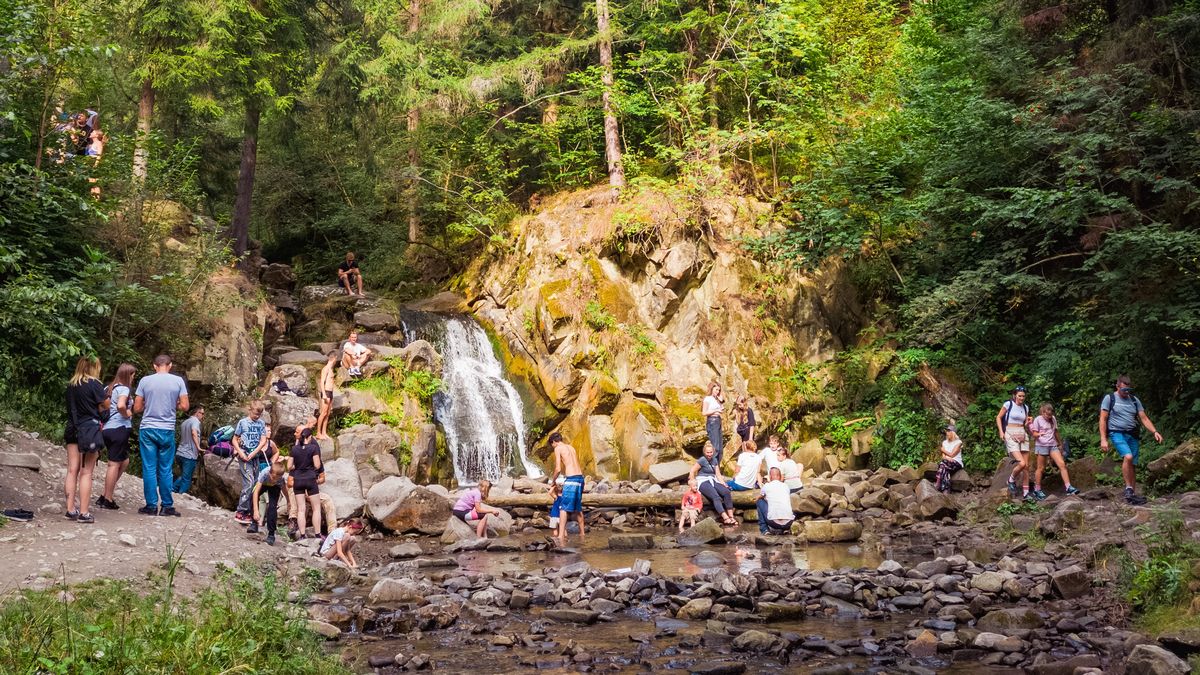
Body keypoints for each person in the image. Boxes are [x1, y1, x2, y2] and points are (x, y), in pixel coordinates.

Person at [133, 354, 189, 517]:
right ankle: (167, 506)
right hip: (167, 429)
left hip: (148, 428)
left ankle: (151, 506)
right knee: (165, 469)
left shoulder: (145, 381)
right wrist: (174, 404)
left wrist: (148, 403)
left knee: (149, 468)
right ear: (169, 365)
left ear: (154, 366)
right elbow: (185, 406)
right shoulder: (178, 381)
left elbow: (137, 408)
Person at [1100, 375, 1163, 505]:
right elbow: (1103, 419)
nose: (1126, 392)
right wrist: (1103, 439)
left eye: (1128, 390)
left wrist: (1154, 431)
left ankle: (1132, 496)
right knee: (1127, 457)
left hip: (1132, 434)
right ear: (1117, 386)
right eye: (1124, 390)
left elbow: (1144, 418)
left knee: (1132, 465)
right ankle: (1128, 488)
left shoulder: (1134, 400)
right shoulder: (1109, 398)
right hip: (1116, 433)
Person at [65, 357, 107, 524]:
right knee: (86, 472)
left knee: (71, 470)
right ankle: (84, 512)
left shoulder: (71, 385)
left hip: (72, 429)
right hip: (89, 429)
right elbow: (107, 404)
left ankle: (70, 509)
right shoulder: (95, 384)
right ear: (94, 367)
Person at [98, 363, 135, 510]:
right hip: (119, 428)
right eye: (132, 375)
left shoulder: (108, 388)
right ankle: (107, 498)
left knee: (124, 461)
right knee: (114, 464)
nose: (133, 378)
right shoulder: (124, 389)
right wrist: (127, 413)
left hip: (107, 429)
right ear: (128, 375)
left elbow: (100, 406)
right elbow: (121, 406)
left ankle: (105, 494)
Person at [1027, 403, 1079, 500]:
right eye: (1047, 415)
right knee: (1041, 468)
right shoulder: (1038, 419)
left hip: (1052, 445)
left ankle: (1068, 487)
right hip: (1042, 445)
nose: (1049, 416)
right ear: (1043, 412)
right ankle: (1037, 489)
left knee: (1062, 464)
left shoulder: (1053, 419)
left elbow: (1055, 431)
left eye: (1050, 414)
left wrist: (1060, 444)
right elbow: (1034, 433)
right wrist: (1038, 434)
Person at [232, 402, 268, 524]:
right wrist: (240, 452)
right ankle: (241, 511)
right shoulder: (243, 422)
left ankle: (250, 511)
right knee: (249, 482)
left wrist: (255, 452)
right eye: (255, 414)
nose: (257, 416)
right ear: (250, 410)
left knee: (256, 484)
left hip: (255, 457)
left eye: (259, 414)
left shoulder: (261, 423)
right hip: (244, 457)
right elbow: (234, 439)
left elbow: (263, 440)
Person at [547, 432, 585, 543]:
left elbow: (558, 469)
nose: (553, 447)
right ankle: (582, 535)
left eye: (552, 445)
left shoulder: (558, 448)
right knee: (578, 508)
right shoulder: (571, 448)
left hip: (572, 479)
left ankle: (560, 536)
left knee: (563, 508)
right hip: (580, 479)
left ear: (554, 441)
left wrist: (553, 481)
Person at [688, 441, 738, 526]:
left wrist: (723, 484)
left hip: (712, 479)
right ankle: (725, 517)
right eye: (707, 452)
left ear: (713, 452)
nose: (709, 454)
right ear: (704, 452)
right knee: (716, 496)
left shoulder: (714, 460)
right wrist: (692, 484)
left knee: (726, 492)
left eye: (711, 452)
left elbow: (717, 474)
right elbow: (692, 471)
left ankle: (731, 516)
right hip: (703, 481)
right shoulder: (702, 460)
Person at [996, 385, 1033, 500]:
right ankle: (1010, 480)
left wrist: (1029, 422)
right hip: (1010, 432)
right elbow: (998, 417)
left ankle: (1026, 493)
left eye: (1023, 396)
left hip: (1022, 433)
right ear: (1015, 395)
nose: (1021, 398)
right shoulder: (1008, 405)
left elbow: (1024, 424)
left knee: (1026, 466)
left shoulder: (1026, 407)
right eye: (1019, 396)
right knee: (1021, 463)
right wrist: (1001, 432)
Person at [289, 426, 324, 539]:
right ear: (309, 437)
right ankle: (318, 534)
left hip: (298, 480)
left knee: (301, 509)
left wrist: (298, 466)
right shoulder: (313, 448)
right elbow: (317, 465)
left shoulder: (294, 449)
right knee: (316, 508)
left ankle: (302, 535)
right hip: (310, 479)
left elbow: (289, 466)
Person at [249, 456, 291, 546]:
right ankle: (254, 523)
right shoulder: (265, 473)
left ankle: (271, 534)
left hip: (275, 488)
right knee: (252, 497)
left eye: (277, 479)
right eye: (273, 478)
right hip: (264, 484)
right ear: (270, 473)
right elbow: (256, 493)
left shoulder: (280, 479)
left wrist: (288, 501)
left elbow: (284, 490)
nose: (274, 480)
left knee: (272, 507)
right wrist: (256, 511)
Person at [756, 467, 795, 535]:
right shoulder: (786, 486)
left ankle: (764, 529)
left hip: (773, 523)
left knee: (759, 501)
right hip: (789, 522)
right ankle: (786, 529)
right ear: (780, 477)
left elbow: (760, 496)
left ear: (770, 477)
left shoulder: (766, 486)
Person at [175, 406, 204, 494]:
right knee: (187, 479)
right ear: (197, 413)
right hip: (189, 455)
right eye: (202, 413)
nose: (203, 415)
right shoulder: (195, 421)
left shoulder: (185, 422)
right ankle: (180, 495)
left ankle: (172, 491)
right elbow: (193, 432)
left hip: (179, 453)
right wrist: (198, 447)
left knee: (184, 475)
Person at [701, 382, 726, 464]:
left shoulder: (716, 399)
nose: (718, 391)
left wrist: (721, 402)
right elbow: (704, 412)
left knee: (720, 448)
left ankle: (716, 467)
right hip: (712, 422)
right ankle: (712, 467)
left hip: (718, 421)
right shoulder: (707, 399)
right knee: (715, 447)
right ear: (711, 389)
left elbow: (721, 410)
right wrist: (715, 410)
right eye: (716, 389)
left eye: (719, 390)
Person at [935, 424, 963, 493]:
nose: (946, 433)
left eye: (948, 431)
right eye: (946, 431)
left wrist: (943, 450)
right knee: (944, 467)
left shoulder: (959, 442)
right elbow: (943, 456)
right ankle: (946, 490)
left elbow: (952, 454)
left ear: (953, 433)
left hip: (957, 463)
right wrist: (947, 458)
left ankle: (938, 484)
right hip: (947, 462)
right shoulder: (944, 442)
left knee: (942, 464)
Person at [316, 351, 337, 439]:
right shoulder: (326, 369)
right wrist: (324, 394)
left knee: (327, 413)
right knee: (323, 413)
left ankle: (324, 432)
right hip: (326, 392)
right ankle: (318, 433)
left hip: (330, 392)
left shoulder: (331, 369)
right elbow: (321, 382)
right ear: (334, 358)